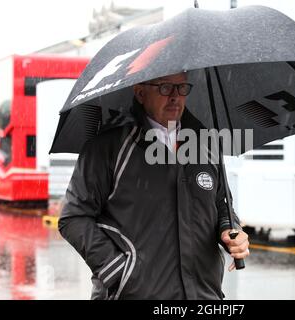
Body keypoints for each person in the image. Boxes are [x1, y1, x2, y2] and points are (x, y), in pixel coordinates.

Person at [58, 72, 250, 300]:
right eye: (165, 88)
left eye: (182, 88)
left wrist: (230, 230)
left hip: (203, 296)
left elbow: (221, 204)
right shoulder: (108, 147)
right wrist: (120, 271)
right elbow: (74, 218)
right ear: (140, 92)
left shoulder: (207, 144)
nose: (175, 97)